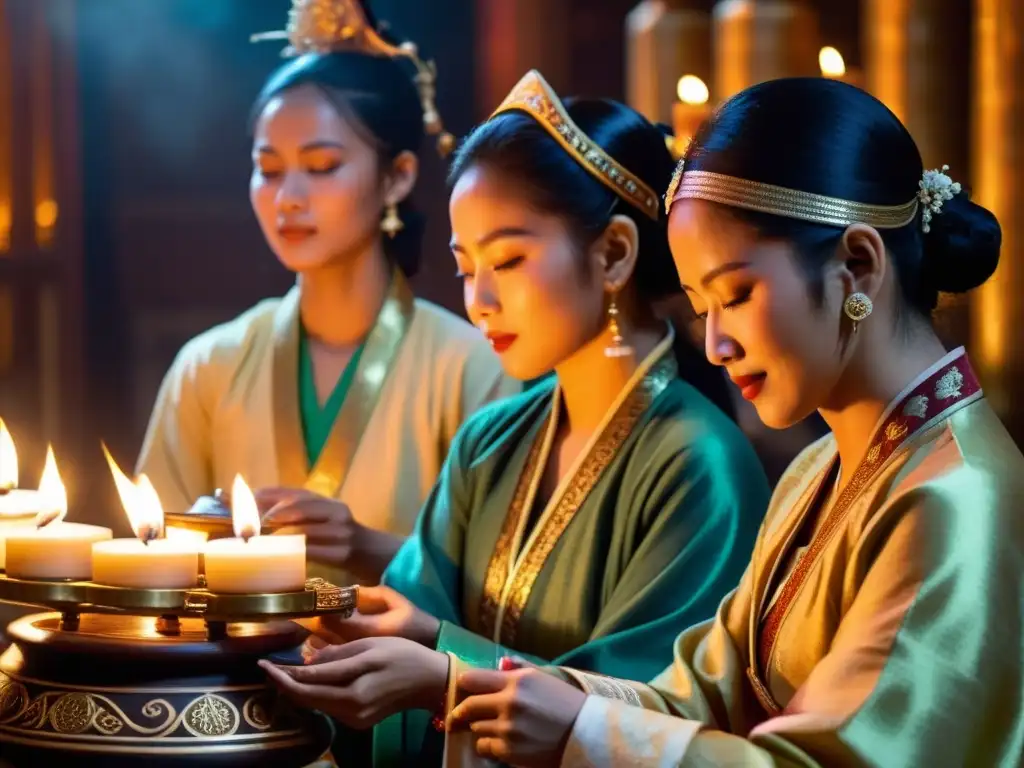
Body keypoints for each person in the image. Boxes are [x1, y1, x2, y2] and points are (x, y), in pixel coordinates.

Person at [440, 76, 1024, 767]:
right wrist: (529, 696)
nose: (715, 344)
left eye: (736, 294)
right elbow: (698, 696)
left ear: (859, 265)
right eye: (699, 306)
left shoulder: (958, 498)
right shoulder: (817, 469)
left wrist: (581, 733)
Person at [259, 69, 770, 767]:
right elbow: (407, 617)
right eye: (466, 267)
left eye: (509, 259)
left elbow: (653, 714)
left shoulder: (699, 464)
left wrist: (443, 670)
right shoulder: (489, 442)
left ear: (614, 252)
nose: (480, 301)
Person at [136, 0, 516, 586]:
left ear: (399, 175)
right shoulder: (208, 367)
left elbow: (507, 591)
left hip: (406, 677)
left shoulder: (472, 367)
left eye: (320, 166)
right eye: (269, 168)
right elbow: (149, 559)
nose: (287, 196)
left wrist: (369, 547)